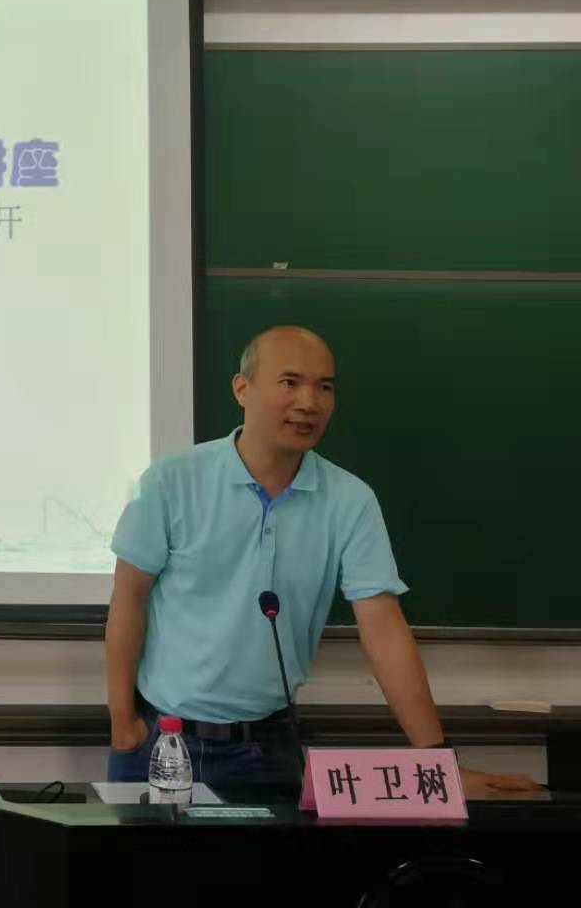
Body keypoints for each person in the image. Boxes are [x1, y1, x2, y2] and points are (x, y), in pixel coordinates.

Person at [105, 325, 537, 797]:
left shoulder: (349, 500)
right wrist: (122, 721)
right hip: (163, 740)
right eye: (290, 383)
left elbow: (383, 628)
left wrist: (437, 762)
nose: (309, 402)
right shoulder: (172, 481)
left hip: (267, 747)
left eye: (324, 387)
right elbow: (129, 598)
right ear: (242, 389)